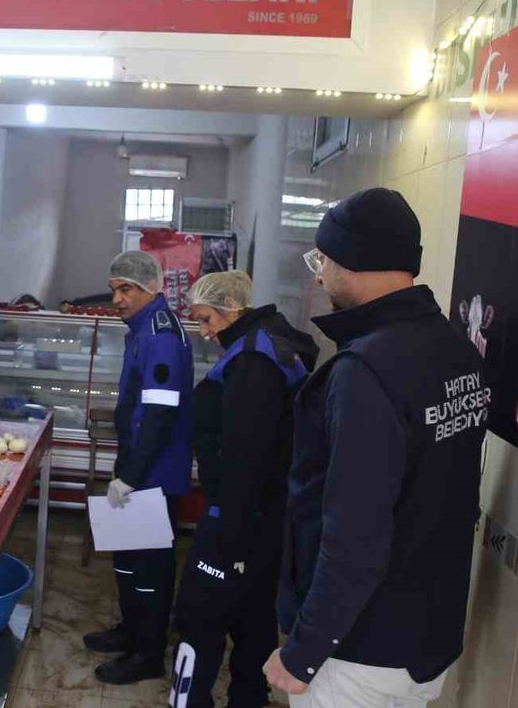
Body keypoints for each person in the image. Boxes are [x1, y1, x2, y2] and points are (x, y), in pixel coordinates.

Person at [263, 188, 488, 708]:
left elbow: (354, 535)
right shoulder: (454, 349)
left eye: (324, 260)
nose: (318, 276)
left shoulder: (365, 372)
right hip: (427, 638)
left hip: (356, 651)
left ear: (355, 260)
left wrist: (304, 651)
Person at [170, 271, 318, 708]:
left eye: (206, 319)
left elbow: (245, 456)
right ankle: (249, 698)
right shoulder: (271, 340)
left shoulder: (253, 360)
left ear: (231, 310)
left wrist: (228, 537)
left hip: (238, 518)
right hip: (268, 517)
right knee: (254, 616)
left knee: (197, 616)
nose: (204, 331)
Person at [84, 250, 194, 685]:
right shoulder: (141, 329)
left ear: (150, 288)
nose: (117, 299)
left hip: (154, 472)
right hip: (136, 462)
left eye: (126, 289)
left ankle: (148, 653)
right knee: (128, 558)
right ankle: (130, 630)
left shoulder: (161, 335)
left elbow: (160, 414)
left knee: (150, 567)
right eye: (114, 289)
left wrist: (131, 475)